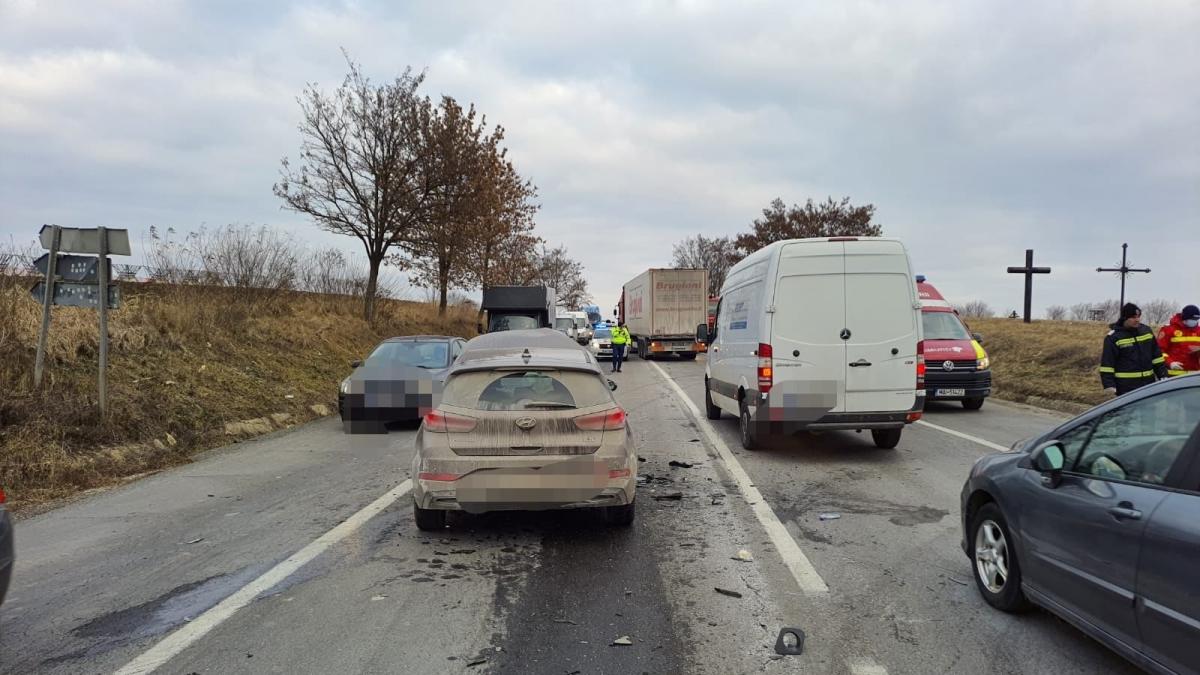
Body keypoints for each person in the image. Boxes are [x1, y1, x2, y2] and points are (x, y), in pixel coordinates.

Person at [1100, 303, 1168, 396]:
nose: (1137, 320)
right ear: (1124, 318)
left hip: (1148, 385)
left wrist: (1163, 374)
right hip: (1125, 388)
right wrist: (1109, 384)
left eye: (1138, 316)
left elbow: (1156, 356)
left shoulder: (1146, 331)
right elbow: (1107, 364)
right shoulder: (1113, 337)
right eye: (1133, 317)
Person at [1157, 304, 1200, 377]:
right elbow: (1158, 351)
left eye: (1196, 319)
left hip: (1194, 376)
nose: (1194, 321)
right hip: (1173, 376)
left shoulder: (1198, 331)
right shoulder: (1168, 330)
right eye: (1192, 319)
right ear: (1184, 318)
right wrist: (1170, 363)